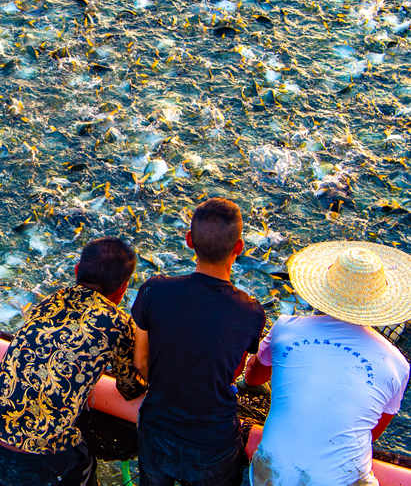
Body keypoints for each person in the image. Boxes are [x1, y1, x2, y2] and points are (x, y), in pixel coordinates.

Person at [0, 236, 148, 486]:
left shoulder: (47, 303)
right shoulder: (117, 322)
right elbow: (130, 388)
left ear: (76, 270)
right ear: (123, 288)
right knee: (84, 463)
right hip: (36, 466)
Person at [245, 241, 411, 486]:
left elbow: (253, 379)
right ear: (380, 302)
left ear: (323, 287)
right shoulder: (397, 363)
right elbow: (371, 434)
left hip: (270, 475)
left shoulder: (285, 328)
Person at [132, 197, 266, 486]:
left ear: (189, 240)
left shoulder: (154, 290)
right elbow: (233, 372)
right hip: (212, 441)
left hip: (158, 429)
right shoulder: (251, 311)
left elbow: (141, 363)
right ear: (239, 248)